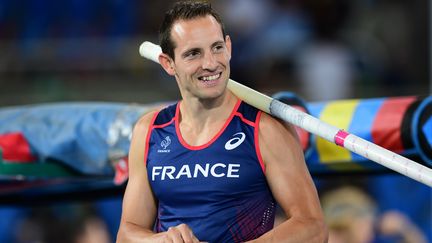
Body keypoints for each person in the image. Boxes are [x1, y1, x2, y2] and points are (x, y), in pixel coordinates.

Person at [116, 1, 327, 242]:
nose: (210, 63)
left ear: (228, 47)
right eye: (193, 53)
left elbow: (313, 228)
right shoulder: (151, 131)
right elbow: (126, 234)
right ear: (168, 63)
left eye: (216, 48)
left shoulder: (264, 128)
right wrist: (160, 240)